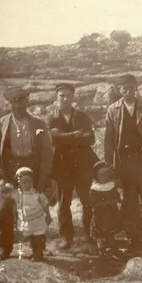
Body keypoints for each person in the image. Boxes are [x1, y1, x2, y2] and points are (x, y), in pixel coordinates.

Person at [0, 87, 53, 260]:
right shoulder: (0, 124)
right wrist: (0, 178)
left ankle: (38, 249)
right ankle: (3, 247)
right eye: (13, 102)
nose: (17, 106)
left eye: (21, 102)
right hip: (9, 170)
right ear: (9, 104)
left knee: (35, 208)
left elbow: (47, 152)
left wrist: (43, 178)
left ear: (27, 102)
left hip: (32, 168)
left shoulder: (39, 123)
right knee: (3, 209)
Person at [104, 74, 142, 248]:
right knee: (129, 198)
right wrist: (109, 163)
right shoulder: (113, 110)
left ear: (136, 88)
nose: (128, 91)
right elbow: (108, 139)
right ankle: (133, 236)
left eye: (131, 87)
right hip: (124, 160)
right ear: (119, 90)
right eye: (124, 88)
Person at [45, 83, 97, 250]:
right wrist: (75, 135)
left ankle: (90, 234)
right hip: (62, 166)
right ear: (56, 98)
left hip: (82, 165)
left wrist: (63, 137)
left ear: (73, 97)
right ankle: (66, 237)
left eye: (68, 95)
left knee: (87, 200)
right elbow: (52, 140)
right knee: (64, 202)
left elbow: (90, 138)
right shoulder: (51, 118)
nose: (65, 99)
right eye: (62, 95)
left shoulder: (82, 116)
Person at [6, 167, 52, 262]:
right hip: (27, 221)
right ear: (19, 183)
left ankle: (38, 254)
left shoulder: (37, 193)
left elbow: (45, 204)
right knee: (32, 238)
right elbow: (7, 194)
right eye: (24, 182)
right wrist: (7, 185)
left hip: (38, 220)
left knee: (39, 237)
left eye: (29, 182)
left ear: (33, 182)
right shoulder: (17, 194)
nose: (27, 184)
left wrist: (48, 215)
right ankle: (35, 252)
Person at [89, 161, 121, 257]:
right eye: (102, 175)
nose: (105, 177)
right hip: (99, 214)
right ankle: (102, 249)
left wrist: (114, 201)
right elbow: (92, 203)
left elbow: (117, 198)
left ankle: (112, 246)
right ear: (96, 176)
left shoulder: (111, 186)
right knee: (99, 232)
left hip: (111, 213)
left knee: (111, 230)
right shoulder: (94, 189)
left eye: (107, 174)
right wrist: (104, 203)